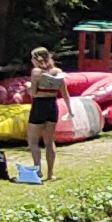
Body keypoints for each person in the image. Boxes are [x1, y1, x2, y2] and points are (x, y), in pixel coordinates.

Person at [25, 44, 67, 182]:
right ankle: (50, 173)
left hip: (39, 105)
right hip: (52, 106)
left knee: (33, 141)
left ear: (36, 59)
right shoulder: (57, 72)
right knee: (49, 141)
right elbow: (64, 93)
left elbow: (34, 93)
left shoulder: (36, 72)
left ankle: (38, 170)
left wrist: (28, 88)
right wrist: (70, 109)